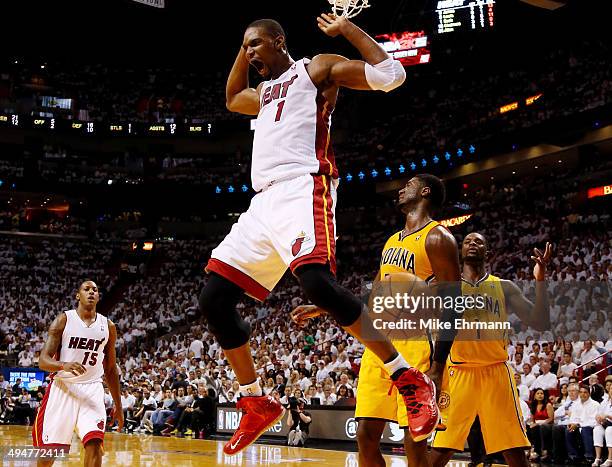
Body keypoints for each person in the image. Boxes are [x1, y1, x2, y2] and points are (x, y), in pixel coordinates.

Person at [199, 14, 441, 456]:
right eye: (244, 47)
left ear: (280, 40)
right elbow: (233, 98)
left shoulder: (315, 70)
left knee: (315, 282)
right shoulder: (264, 94)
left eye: (256, 44)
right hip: (262, 204)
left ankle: (408, 377)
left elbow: (392, 74)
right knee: (212, 299)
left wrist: (346, 30)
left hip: (302, 187)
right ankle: (255, 399)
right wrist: (243, 45)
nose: (250, 53)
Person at [293, 174, 462, 467]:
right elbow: (373, 296)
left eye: (408, 184)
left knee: (415, 440)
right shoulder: (392, 240)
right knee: (365, 436)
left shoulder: (438, 237)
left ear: (424, 192)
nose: (401, 188)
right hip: (379, 345)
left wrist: (437, 366)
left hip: (415, 341)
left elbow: (453, 305)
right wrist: (326, 306)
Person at [431, 233, 552, 467]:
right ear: (460, 252)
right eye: (468, 241)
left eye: (479, 242)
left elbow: (540, 322)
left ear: (488, 252)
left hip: (495, 373)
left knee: (514, 453)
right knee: (440, 451)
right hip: (458, 374)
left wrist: (540, 281)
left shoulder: (504, 287)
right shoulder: (446, 288)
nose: (473, 244)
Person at [34, 280, 123, 467]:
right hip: (63, 388)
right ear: (78, 295)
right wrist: (62, 365)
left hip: (92, 388)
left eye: (95, 290)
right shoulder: (64, 320)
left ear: (98, 297)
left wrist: (118, 406)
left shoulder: (108, 326)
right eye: (86, 289)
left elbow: (111, 369)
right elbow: (43, 361)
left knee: (95, 443)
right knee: (48, 454)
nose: (91, 292)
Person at [566, 385, 600, 464]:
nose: (582, 394)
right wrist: (571, 424)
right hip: (578, 427)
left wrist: (578, 425)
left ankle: (589, 456)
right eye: (581, 392)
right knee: (569, 430)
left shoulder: (595, 404)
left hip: (591, 428)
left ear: (589, 393)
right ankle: (574, 456)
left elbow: (594, 422)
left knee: (585, 429)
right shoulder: (576, 404)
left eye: (585, 392)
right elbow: (573, 418)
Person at [526, 388, 554, 461]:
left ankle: (541, 451)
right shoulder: (533, 406)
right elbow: (532, 420)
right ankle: (530, 450)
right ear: (534, 396)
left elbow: (551, 419)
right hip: (537, 425)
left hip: (547, 425)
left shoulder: (548, 405)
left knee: (539, 428)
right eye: (538, 393)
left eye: (541, 393)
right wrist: (532, 424)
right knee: (528, 427)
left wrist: (538, 423)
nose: (540, 395)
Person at [593, 383, 612, 467]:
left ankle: (610, 459)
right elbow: (599, 413)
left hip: (610, 425)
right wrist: (599, 417)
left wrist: (607, 416)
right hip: (605, 423)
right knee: (597, 429)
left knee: (609, 430)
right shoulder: (605, 401)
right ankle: (598, 458)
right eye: (611, 389)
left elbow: (607, 416)